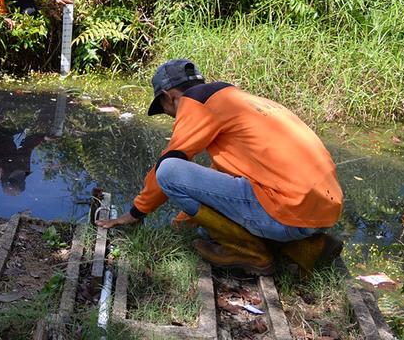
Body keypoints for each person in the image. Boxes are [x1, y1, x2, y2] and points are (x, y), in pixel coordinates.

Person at [95, 60, 344, 276]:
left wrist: (135, 214)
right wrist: (181, 224)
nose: (170, 116)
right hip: (321, 211)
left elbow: (169, 165)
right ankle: (306, 246)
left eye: (164, 108)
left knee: (168, 170)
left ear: (170, 96)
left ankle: (251, 253)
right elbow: (222, 178)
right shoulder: (240, 101)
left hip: (287, 210)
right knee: (202, 194)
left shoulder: (194, 102)